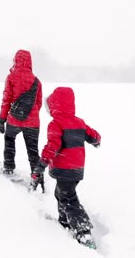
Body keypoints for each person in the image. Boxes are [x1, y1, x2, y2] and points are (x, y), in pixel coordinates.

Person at [31, 87, 101, 248]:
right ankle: (65, 221)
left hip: (64, 168)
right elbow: (93, 135)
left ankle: (83, 232)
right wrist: (96, 140)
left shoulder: (56, 124)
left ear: (55, 106)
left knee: (68, 198)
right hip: (77, 169)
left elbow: (52, 146)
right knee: (61, 193)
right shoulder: (79, 122)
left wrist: (41, 165)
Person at [0, 49, 43, 176]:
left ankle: (9, 167)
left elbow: (7, 100)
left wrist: (2, 120)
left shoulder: (11, 78)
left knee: (9, 140)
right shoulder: (36, 81)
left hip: (14, 120)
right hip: (33, 122)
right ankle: (37, 177)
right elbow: (38, 103)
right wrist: (29, 114)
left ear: (16, 60)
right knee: (33, 151)